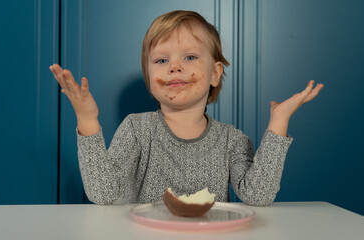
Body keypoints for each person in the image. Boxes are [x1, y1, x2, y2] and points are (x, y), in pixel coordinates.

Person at [49, 10, 323, 205]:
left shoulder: (232, 140)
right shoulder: (137, 128)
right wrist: (87, 119)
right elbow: (104, 194)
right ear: (149, 77)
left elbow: (258, 196)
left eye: (190, 57)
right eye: (161, 61)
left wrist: (279, 120)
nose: (174, 67)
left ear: (215, 73)